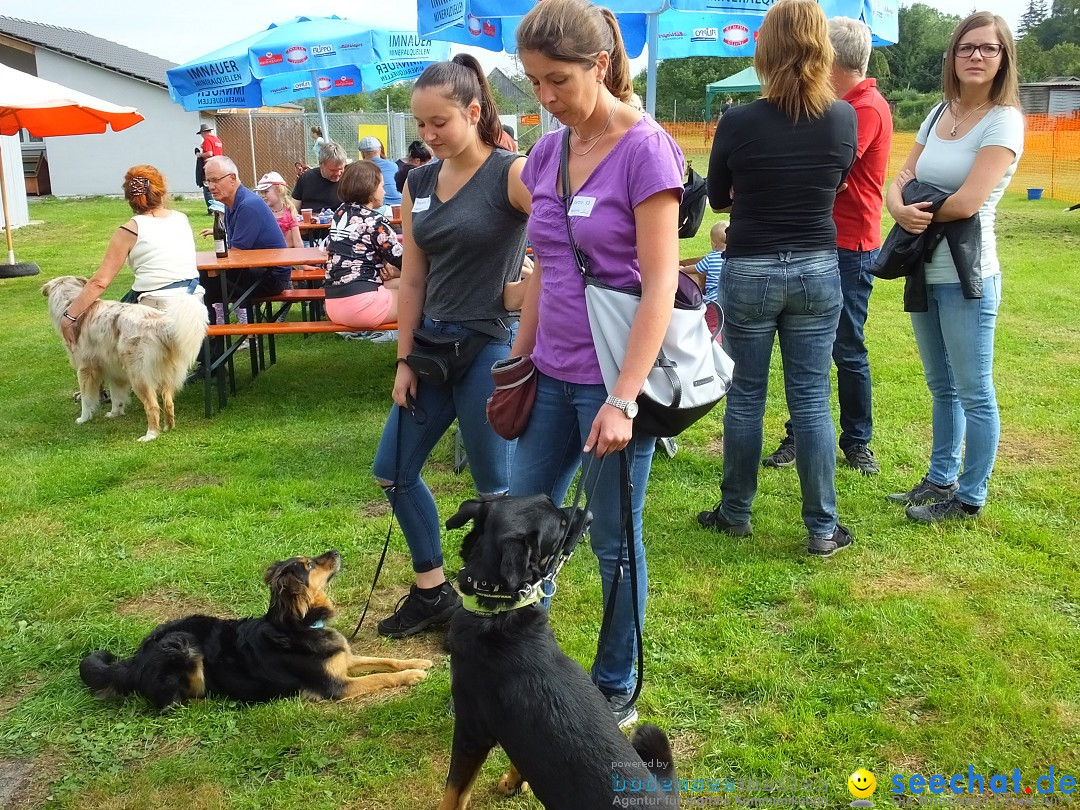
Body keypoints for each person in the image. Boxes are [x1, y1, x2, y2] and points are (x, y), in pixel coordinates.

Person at [511, 0, 684, 728]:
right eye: (533, 83)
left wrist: (623, 398)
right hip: (549, 374)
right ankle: (521, 662)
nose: (546, 99)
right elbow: (547, 269)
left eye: (558, 80)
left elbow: (660, 284)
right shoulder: (547, 153)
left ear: (600, 66)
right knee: (519, 523)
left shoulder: (646, 148)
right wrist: (518, 362)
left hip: (610, 381)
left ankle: (615, 682)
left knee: (613, 543)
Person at [372, 54, 531, 639]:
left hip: (489, 346)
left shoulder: (512, 173)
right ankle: (433, 590)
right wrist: (403, 359)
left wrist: (519, 294)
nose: (428, 135)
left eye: (439, 122)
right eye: (419, 124)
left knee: (496, 491)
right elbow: (412, 278)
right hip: (431, 348)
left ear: (472, 111)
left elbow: (563, 245)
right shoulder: (417, 181)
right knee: (392, 471)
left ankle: (510, 614)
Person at [697, 0, 857, 557]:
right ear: (822, 49)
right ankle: (821, 527)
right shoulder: (843, 117)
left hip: (751, 266)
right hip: (816, 264)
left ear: (764, 50)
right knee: (812, 399)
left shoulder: (738, 122)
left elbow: (718, 198)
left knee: (746, 397)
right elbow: (837, 182)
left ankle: (736, 512)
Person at [885, 12, 1023, 523]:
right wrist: (897, 205)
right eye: (967, 48)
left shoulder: (1003, 119)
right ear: (953, 56)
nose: (976, 57)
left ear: (1003, 58)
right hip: (925, 267)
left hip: (969, 277)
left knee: (973, 391)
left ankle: (969, 496)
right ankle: (940, 477)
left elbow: (967, 202)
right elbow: (902, 174)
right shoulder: (940, 112)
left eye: (988, 49)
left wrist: (909, 209)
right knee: (941, 387)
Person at [761, 16, 894, 476]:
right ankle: (801, 435)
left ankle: (857, 442)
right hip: (820, 240)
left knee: (846, 347)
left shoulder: (863, 108)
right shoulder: (840, 106)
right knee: (807, 349)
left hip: (848, 246)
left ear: (828, 58)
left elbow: (826, 177)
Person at [59, 165, 207, 347]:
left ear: (129, 198)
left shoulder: (130, 230)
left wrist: (69, 316)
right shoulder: (181, 218)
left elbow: (100, 282)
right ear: (162, 191)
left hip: (156, 310)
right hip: (195, 304)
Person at [199, 156, 289, 311]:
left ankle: (213, 332)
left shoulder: (248, 205)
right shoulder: (232, 203)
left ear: (232, 178)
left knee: (202, 284)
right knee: (201, 279)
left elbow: (236, 255)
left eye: (215, 180)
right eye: (208, 181)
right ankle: (212, 330)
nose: (211, 187)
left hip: (272, 277)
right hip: (254, 271)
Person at [324, 160, 402, 330]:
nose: (384, 191)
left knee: (400, 283)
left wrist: (383, 265)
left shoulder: (340, 213)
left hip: (333, 304)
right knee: (419, 294)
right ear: (371, 188)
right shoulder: (375, 222)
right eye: (381, 185)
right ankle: (428, 346)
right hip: (362, 307)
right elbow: (405, 262)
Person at [292, 141, 347, 215]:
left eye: (341, 169)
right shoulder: (306, 178)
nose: (338, 173)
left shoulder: (348, 180)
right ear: (321, 164)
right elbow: (294, 207)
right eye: (333, 170)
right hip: (309, 224)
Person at [255, 171, 302, 249]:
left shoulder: (289, 213)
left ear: (279, 190)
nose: (263, 196)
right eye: (261, 193)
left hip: (287, 255)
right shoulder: (262, 213)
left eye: (266, 192)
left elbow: (297, 242)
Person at [358, 136, 403, 212]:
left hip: (377, 208)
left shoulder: (359, 169)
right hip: (398, 206)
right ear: (380, 150)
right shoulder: (393, 166)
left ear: (362, 153)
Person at [694, 220, 727, 303]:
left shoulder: (711, 258)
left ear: (714, 244)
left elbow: (696, 268)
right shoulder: (734, 258)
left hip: (713, 299)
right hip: (730, 299)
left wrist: (682, 269)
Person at [196, 123, 223, 214]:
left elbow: (209, 153)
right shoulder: (217, 140)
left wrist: (200, 154)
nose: (202, 136)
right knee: (218, 187)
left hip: (210, 166)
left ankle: (211, 209)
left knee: (207, 188)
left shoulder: (207, 140)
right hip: (219, 165)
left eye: (202, 134)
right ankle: (220, 206)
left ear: (204, 132)